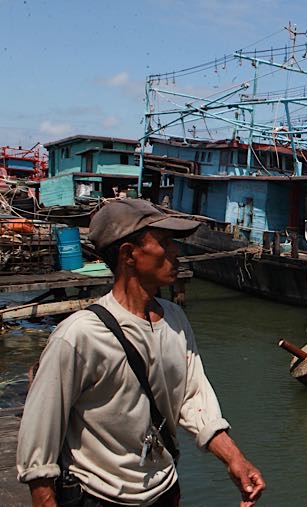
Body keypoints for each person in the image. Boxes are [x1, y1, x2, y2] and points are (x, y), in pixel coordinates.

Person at [17, 199, 265, 506]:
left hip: (164, 491)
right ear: (129, 254)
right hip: (98, 496)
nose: (175, 252)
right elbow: (39, 440)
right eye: (163, 243)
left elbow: (193, 398)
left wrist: (235, 459)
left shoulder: (175, 319)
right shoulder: (78, 335)